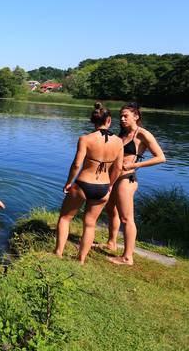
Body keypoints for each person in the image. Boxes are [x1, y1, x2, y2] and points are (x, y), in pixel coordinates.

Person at [54, 102, 124, 264]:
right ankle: (81, 259)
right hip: (103, 187)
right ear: (109, 121)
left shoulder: (85, 139)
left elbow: (77, 164)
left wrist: (68, 182)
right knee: (90, 224)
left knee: (65, 218)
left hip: (84, 183)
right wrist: (111, 185)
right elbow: (118, 167)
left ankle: (58, 252)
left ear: (93, 121)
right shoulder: (119, 142)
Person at [99, 102, 166, 265]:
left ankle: (127, 257)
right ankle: (111, 243)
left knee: (127, 218)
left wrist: (135, 165)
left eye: (125, 116)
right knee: (110, 210)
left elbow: (161, 157)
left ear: (136, 116)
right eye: (120, 116)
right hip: (113, 178)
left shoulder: (142, 134)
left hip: (126, 179)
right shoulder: (122, 134)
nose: (122, 118)